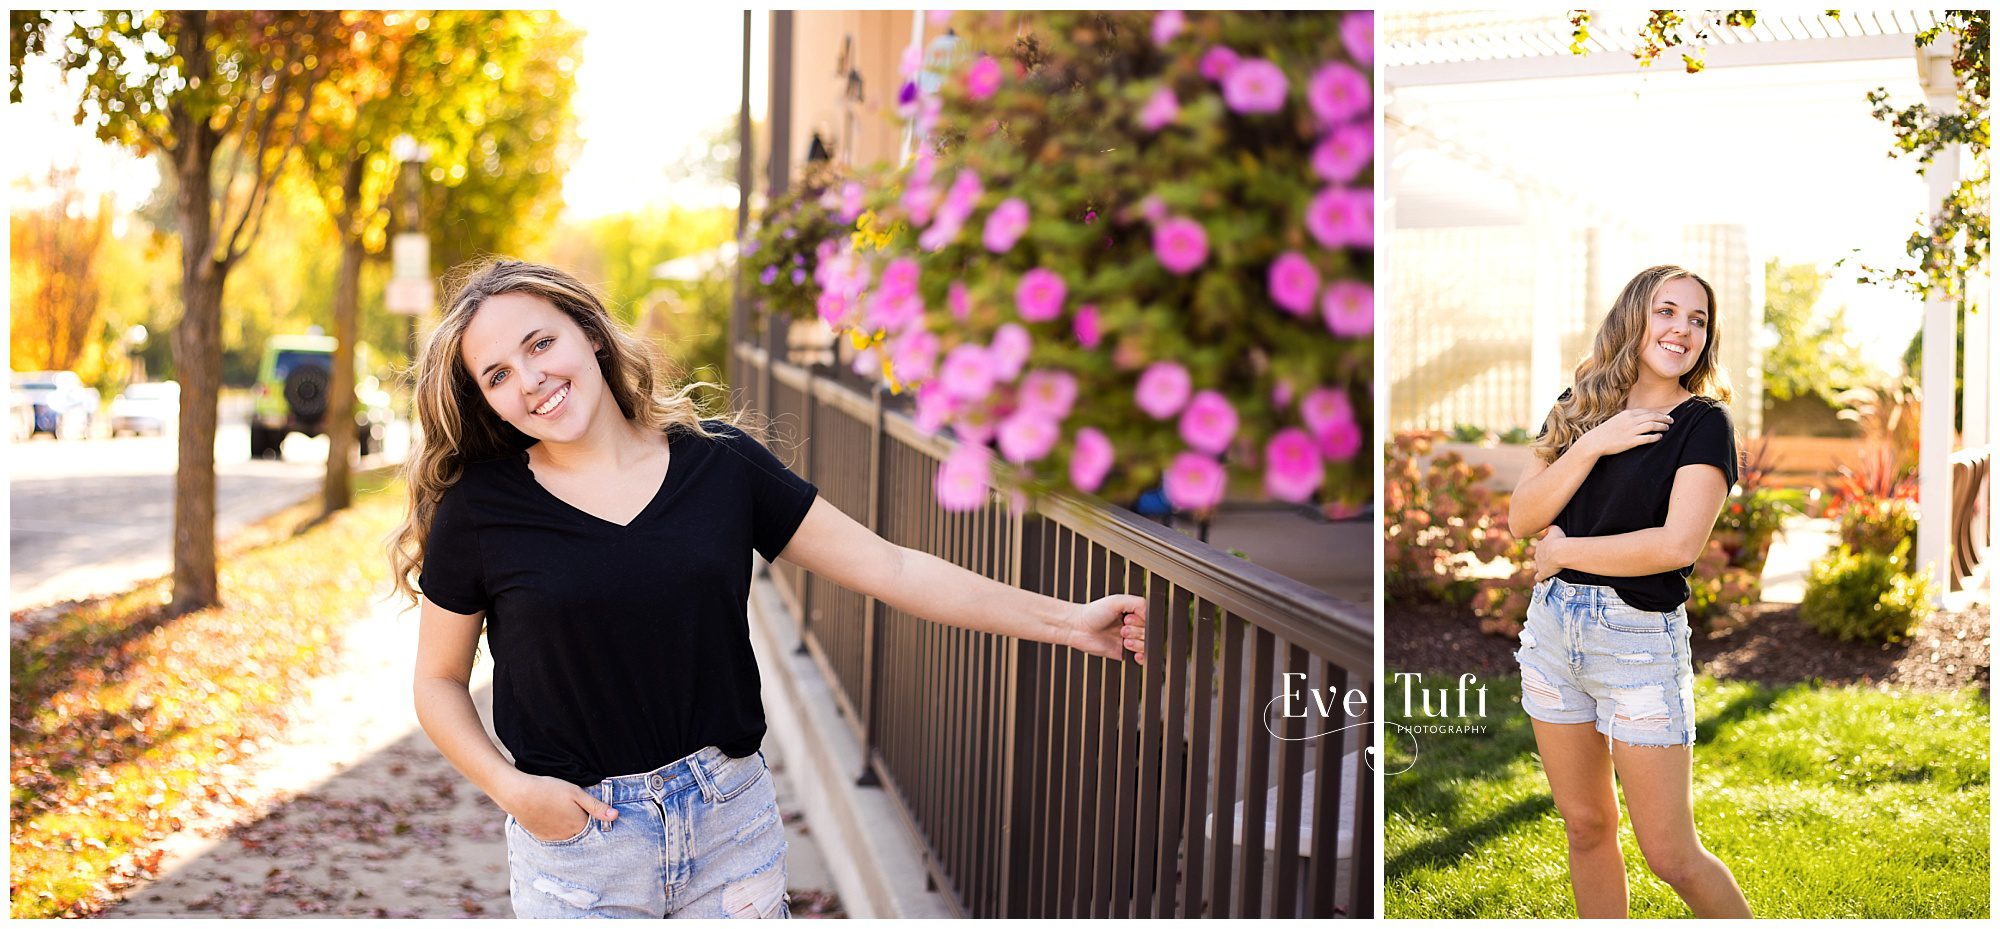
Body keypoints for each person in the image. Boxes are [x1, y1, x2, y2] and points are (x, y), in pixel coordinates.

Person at [391, 259, 1148, 918]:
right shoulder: (481, 511)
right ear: (486, 400)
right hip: (580, 846)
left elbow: (892, 567)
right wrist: (512, 789)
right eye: (497, 374)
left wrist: (1072, 622)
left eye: (540, 343)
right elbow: (438, 680)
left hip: (728, 825)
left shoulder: (720, 466)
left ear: (588, 331)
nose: (531, 380)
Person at [1506, 264, 1751, 918]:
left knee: (1670, 853)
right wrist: (1593, 444)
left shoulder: (1704, 423)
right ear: (1635, 316)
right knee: (1585, 825)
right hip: (1553, 635)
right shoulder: (1578, 402)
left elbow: (1675, 546)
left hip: (1636, 638)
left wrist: (1562, 551)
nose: (1683, 330)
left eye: (1698, 320)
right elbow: (1521, 517)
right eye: (1668, 311)